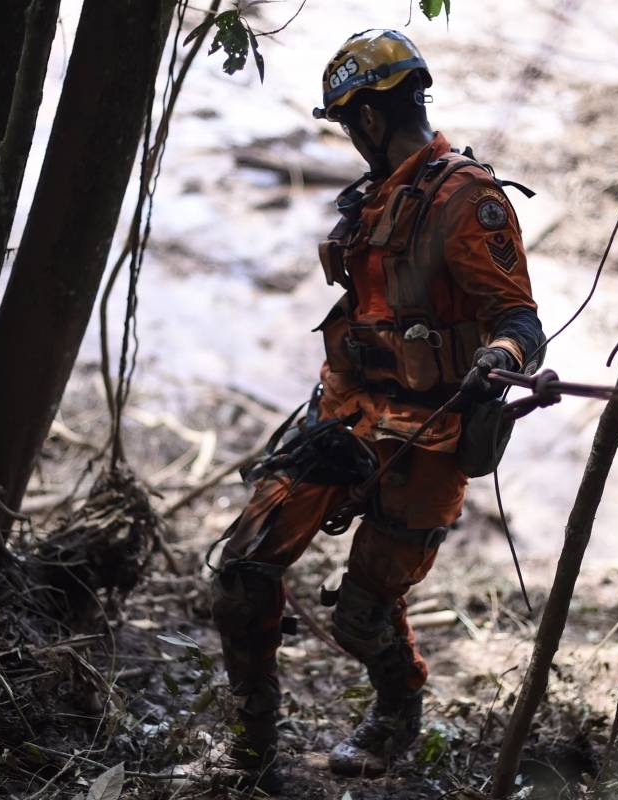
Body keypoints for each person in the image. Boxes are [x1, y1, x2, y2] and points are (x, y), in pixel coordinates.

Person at [210, 29, 546, 791]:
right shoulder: (374, 200)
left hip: (429, 432)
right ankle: (253, 745)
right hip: (343, 417)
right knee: (241, 571)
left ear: (366, 117)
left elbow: (520, 320)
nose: (350, 139)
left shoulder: (469, 201)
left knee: (363, 614)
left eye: (347, 124)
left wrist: (501, 360)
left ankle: (397, 711)